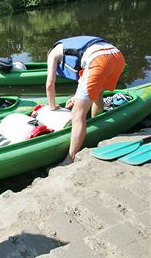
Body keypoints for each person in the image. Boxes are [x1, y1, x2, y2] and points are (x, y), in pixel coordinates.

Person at [46, 36, 125, 165]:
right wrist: (76, 96)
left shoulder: (53, 54)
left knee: (77, 115)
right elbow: (84, 77)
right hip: (117, 56)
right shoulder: (70, 46)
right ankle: (97, 122)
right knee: (98, 93)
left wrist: (52, 106)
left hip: (98, 61)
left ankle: (70, 158)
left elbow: (50, 83)